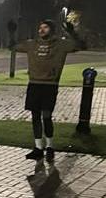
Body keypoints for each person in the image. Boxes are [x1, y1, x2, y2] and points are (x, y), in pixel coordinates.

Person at [9, 19, 85, 161]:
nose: (41, 30)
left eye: (45, 27)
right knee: (35, 116)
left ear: (52, 29)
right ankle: (38, 148)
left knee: (46, 116)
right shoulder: (32, 44)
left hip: (50, 85)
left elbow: (81, 46)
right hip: (34, 84)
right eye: (40, 27)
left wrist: (72, 32)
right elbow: (12, 46)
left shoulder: (61, 44)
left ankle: (49, 146)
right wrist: (11, 33)